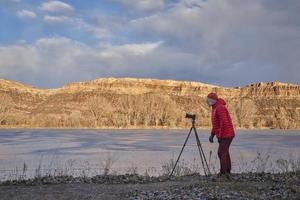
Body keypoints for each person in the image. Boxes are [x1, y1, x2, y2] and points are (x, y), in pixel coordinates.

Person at [207, 92, 235, 176]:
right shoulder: (214, 108)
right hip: (225, 134)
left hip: (227, 134)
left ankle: (223, 173)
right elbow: (216, 124)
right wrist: (212, 135)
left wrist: (220, 135)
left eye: (208, 100)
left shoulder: (220, 108)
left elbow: (224, 123)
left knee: (221, 152)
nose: (207, 101)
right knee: (225, 152)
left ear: (213, 100)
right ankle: (227, 171)